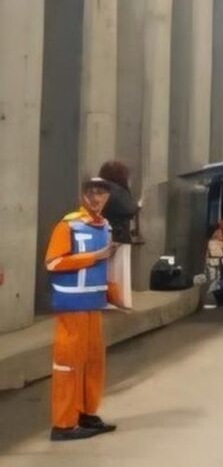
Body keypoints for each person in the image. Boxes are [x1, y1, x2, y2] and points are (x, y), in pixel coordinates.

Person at [44, 178, 119, 441]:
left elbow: (107, 267)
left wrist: (116, 296)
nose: (97, 198)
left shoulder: (106, 226)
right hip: (72, 303)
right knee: (68, 363)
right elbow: (53, 263)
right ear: (84, 195)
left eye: (102, 193)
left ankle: (86, 413)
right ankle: (63, 424)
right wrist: (94, 257)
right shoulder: (68, 225)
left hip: (93, 304)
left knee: (92, 361)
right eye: (92, 192)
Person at [98, 161, 140, 310]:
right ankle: (119, 300)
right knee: (120, 272)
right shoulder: (120, 190)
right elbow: (131, 209)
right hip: (120, 235)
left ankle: (108, 300)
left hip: (105, 234)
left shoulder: (103, 189)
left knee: (106, 271)